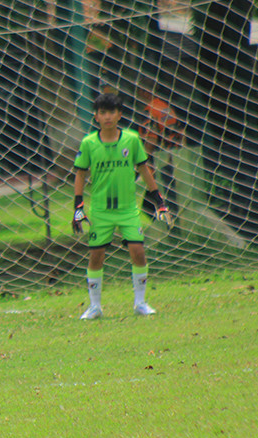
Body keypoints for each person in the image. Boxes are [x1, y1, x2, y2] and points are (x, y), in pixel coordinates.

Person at [73, 93, 170, 320]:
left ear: (120, 115)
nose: (107, 117)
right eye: (103, 113)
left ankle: (140, 303)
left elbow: (145, 169)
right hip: (100, 211)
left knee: (138, 251)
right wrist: (78, 207)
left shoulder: (131, 139)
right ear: (96, 117)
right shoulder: (89, 143)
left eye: (112, 112)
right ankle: (95, 306)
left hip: (127, 209)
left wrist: (158, 200)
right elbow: (80, 174)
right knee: (96, 256)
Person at [136, 78, 184, 212]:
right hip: (177, 160)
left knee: (150, 207)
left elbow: (151, 139)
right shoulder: (165, 107)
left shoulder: (150, 111)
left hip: (161, 163)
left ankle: (170, 228)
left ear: (144, 92)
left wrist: (141, 162)